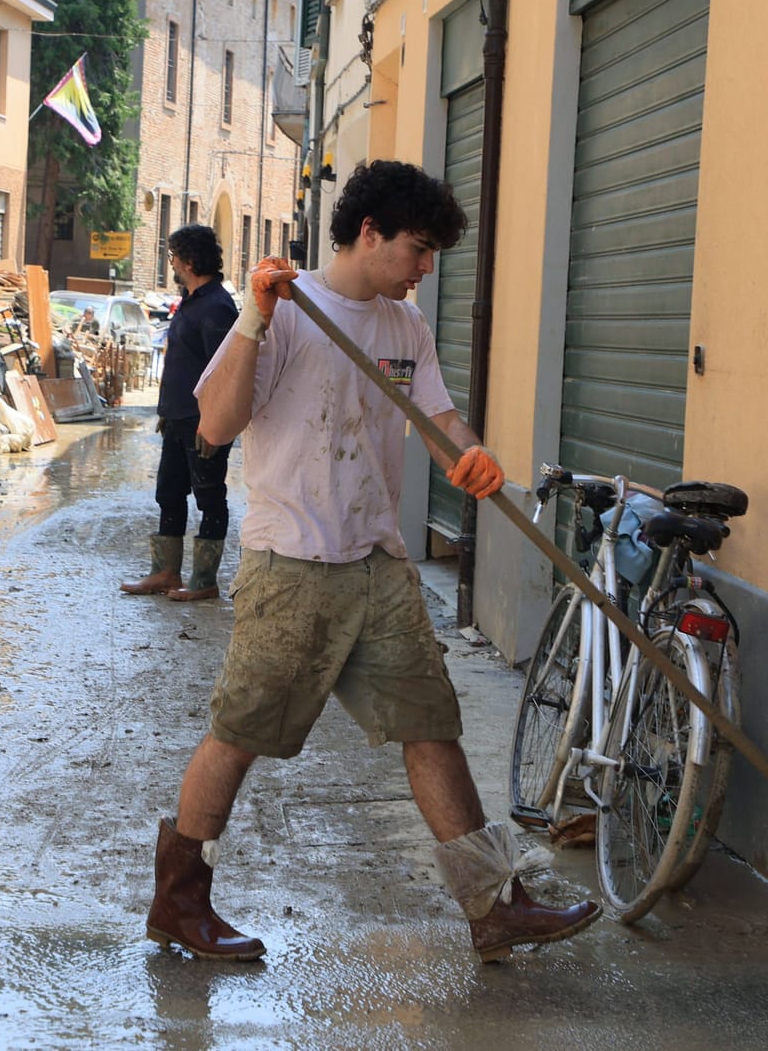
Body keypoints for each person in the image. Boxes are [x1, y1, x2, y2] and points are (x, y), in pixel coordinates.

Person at [145, 161, 601, 963]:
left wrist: (473, 456)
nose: (426, 269)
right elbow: (214, 425)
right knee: (239, 734)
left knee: (432, 728)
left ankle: (494, 906)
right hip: (293, 565)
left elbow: (438, 419)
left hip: (379, 563)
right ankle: (179, 904)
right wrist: (252, 318)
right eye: (418, 250)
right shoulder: (286, 310)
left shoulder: (405, 327)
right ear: (369, 234)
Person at [121, 225, 238, 602]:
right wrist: (167, 411)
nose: (170, 262)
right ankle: (166, 573)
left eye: (173, 256)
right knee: (169, 493)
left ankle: (204, 580)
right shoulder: (191, 299)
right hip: (177, 418)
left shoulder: (217, 305)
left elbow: (225, 371)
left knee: (209, 497)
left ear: (189, 260)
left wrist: (213, 421)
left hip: (202, 422)